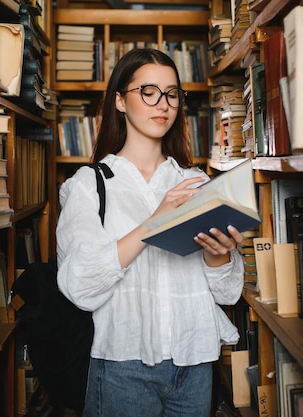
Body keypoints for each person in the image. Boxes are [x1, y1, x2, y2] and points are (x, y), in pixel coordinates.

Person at [56, 48, 245, 417]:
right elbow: (78, 286)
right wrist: (153, 224)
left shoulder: (196, 183)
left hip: (195, 363)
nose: (163, 104)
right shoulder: (89, 185)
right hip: (122, 367)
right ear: (120, 102)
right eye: (148, 92)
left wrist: (218, 254)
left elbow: (227, 292)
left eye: (172, 94)